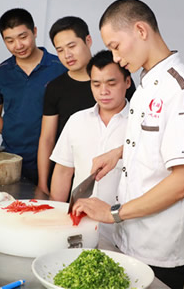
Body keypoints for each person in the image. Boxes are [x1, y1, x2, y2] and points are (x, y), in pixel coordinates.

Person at [72, 0, 184, 289]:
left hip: (161, 242)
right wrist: (118, 152)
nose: (115, 56)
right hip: (135, 231)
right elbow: (157, 141)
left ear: (140, 30)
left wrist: (112, 213)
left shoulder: (183, 90)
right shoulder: (146, 84)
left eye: (116, 46)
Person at [37, 16, 135, 194]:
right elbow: (49, 142)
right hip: (78, 193)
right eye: (60, 50)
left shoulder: (136, 120)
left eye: (72, 46)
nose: (104, 91)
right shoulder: (73, 115)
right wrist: (43, 185)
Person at [50, 50, 131, 240]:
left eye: (111, 83)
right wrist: (56, 217)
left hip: (124, 230)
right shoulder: (77, 121)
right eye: (96, 84)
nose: (103, 91)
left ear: (127, 82)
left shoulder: (139, 124)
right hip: (79, 227)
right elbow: (63, 172)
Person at [0, 8, 66, 184]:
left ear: (34, 32)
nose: (18, 45)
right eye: (10, 40)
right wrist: (14, 135)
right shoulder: (0, 73)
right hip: (12, 160)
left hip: (55, 159)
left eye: (23, 37)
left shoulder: (60, 67)